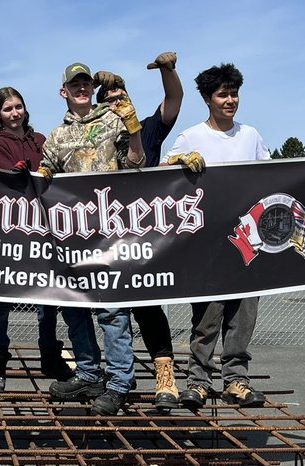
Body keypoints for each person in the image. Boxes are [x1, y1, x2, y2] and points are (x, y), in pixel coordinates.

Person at [40, 62, 144, 416]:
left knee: (113, 311)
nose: (81, 88)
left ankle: (118, 383)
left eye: (86, 83)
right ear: (64, 92)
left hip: (111, 232)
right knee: (75, 308)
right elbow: (46, 171)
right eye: (75, 84)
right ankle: (87, 372)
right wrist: (34, 174)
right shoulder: (56, 136)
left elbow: (134, 165)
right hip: (72, 235)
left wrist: (135, 130)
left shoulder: (113, 121)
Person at [165, 63, 271, 409]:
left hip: (247, 243)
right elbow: (162, 176)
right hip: (207, 244)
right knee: (208, 315)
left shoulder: (251, 135)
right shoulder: (192, 136)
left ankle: (236, 379)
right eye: (223, 94)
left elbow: (273, 177)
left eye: (234, 93)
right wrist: (181, 160)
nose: (230, 100)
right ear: (207, 99)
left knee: (243, 315)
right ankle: (198, 380)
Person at [94, 52, 188, 411]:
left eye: (123, 98)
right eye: (111, 100)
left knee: (148, 307)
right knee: (112, 312)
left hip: (141, 234)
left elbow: (174, 100)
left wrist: (168, 70)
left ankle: (166, 378)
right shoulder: (93, 135)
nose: (119, 104)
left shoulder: (147, 128)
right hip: (102, 236)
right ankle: (119, 377)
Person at [0, 87, 73, 391]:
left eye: (18, 106)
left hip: (44, 229)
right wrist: (15, 173)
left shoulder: (40, 141)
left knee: (49, 298)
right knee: (2, 298)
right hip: (11, 230)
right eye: (7, 109)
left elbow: (56, 169)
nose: (14, 113)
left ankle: (50, 353)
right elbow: (1, 180)